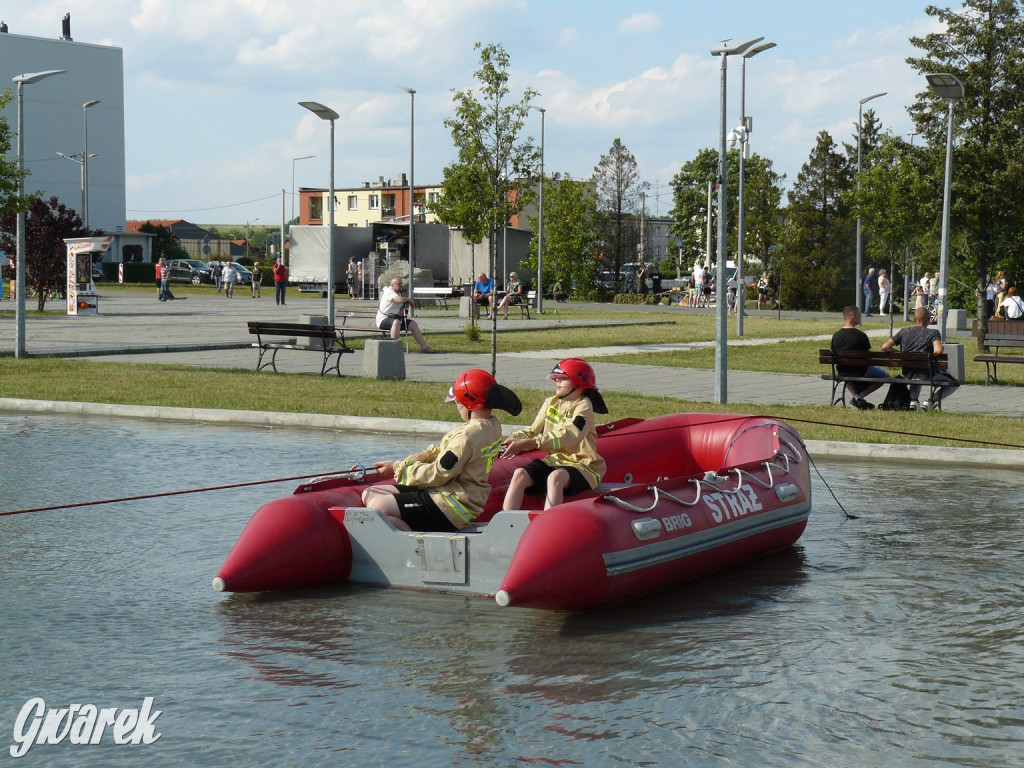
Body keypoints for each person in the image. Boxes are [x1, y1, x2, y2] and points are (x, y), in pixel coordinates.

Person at [361, 369, 521, 532]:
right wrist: (427, 455)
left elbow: (439, 473)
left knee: (379, 505)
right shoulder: (492, 425)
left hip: (451, 505)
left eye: (457, 402)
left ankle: (412, 548)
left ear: (469, 402)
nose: (457, 406)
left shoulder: (467, 435)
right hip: (451, 494)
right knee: (372, 492)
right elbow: (459, 453)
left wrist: (397, 468)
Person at [500, 358, 608, 511]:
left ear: (579, 382)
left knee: (555, 477)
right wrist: (516, 438)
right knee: (519, 474)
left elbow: (568, 435)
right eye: (556, 378)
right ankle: (507, 524)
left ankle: (547, 526)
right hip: (556, 461)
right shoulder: (551, 402)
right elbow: (533, 430)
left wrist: (530, 443)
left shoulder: (584, 406)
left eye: (563, 378)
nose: (556, 381)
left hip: (583, 465)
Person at [881, 306, 959, 412]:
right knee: (955, 383)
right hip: (928, 374)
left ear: (914, 319)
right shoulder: (933, 333)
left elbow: (885, 347)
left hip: (908, 373)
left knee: (916, 374)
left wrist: (900, 354)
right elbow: (938, 351)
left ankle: (913, 402)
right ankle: (930, 402)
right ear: (928, 320)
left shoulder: (904, 331)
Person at [831, 306, 887, 409]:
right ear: (852, 316)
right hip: (860, 371)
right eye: (858, 315)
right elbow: (868, 356)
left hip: (842, 371)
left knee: (846, 374)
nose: (860, 317)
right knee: (885, 375)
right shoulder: (860, 336)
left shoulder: (836, 336)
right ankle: (860, 396)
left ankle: (856, 397)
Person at [376, 276, 434, 352]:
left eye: (401, 284)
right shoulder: (389, 291)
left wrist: (401, 312)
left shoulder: (399, 293)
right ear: (392, 285)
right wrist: (409, 300)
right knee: (396, 322)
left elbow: (399, 305)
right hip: (383, 319)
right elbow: (399, 300)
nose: (401, 286)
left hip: (395, 319)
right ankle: (393, 347)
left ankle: (424, 347)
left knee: (413, 324)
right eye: (398, 284)